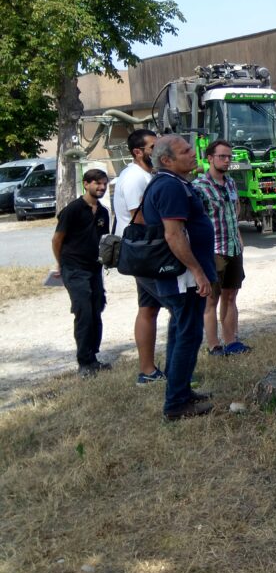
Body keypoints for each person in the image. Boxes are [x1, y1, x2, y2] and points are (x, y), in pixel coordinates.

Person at [143, 135, 217, 422]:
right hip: (182, 277)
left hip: (183, 274)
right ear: (167, 161)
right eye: (185, 151)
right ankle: (176, 404)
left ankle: (181, 392)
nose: (192, 153)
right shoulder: (169, 186)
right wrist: (197, 271)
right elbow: (173, 234)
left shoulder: (174, 183)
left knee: (180, 331)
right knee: (188, 334)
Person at [112, 129, 165, 385]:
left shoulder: (144, 175)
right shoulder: (135, 178)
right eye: (153, 147)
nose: (158, 150)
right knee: (179, 307)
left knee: (148, 308)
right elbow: (141, 216)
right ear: (138, 152)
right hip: (144, 253)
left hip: (144, 252)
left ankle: (148, 370)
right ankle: (163, 370)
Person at [193, 139, 250, 356]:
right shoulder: (199, 187)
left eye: (229, 157)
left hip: (233, 248)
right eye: (222, 157)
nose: (227, 161)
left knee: (231, 296)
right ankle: (214, 345)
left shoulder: (231, 183)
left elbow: (233, 211)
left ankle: (231, 341)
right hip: (214, 251)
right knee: (211, 300)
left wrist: (238, 236)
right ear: (209, 158)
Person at [53, 169, 111, 378]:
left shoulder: (103, 212)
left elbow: (104, 241)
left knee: (96, 309)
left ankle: (93, 357)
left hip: (94, 268)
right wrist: (60, 264)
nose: (101, 187)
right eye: (97, 183)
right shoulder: (73, 210)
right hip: (74, 268)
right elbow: (57, 239)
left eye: (104, 184)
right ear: (86, 184)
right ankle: (84, 363)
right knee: (84, 311)